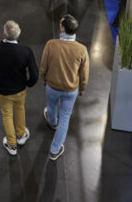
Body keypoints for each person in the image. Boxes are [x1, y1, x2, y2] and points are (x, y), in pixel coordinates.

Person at [0, 21, 39, 155]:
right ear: (18, 34)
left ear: (4, 34)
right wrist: (28, 83)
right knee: (20, 109)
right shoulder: (26, 50)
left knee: (7, 115)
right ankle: (21, 135)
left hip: (3, 90)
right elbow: (34, 74)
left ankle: (12, 145)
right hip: (20, 89)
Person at [41, 15, 89, 161]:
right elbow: (84, 73)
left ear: (62, 28)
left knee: (51, 106)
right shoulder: (82, 50)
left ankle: (52, 122)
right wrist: (82, 88)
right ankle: (55, 150)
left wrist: (44, 79)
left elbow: (43, 66)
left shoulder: (51, 44)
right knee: (65, 119)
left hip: (52, 86)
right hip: (70, 90)